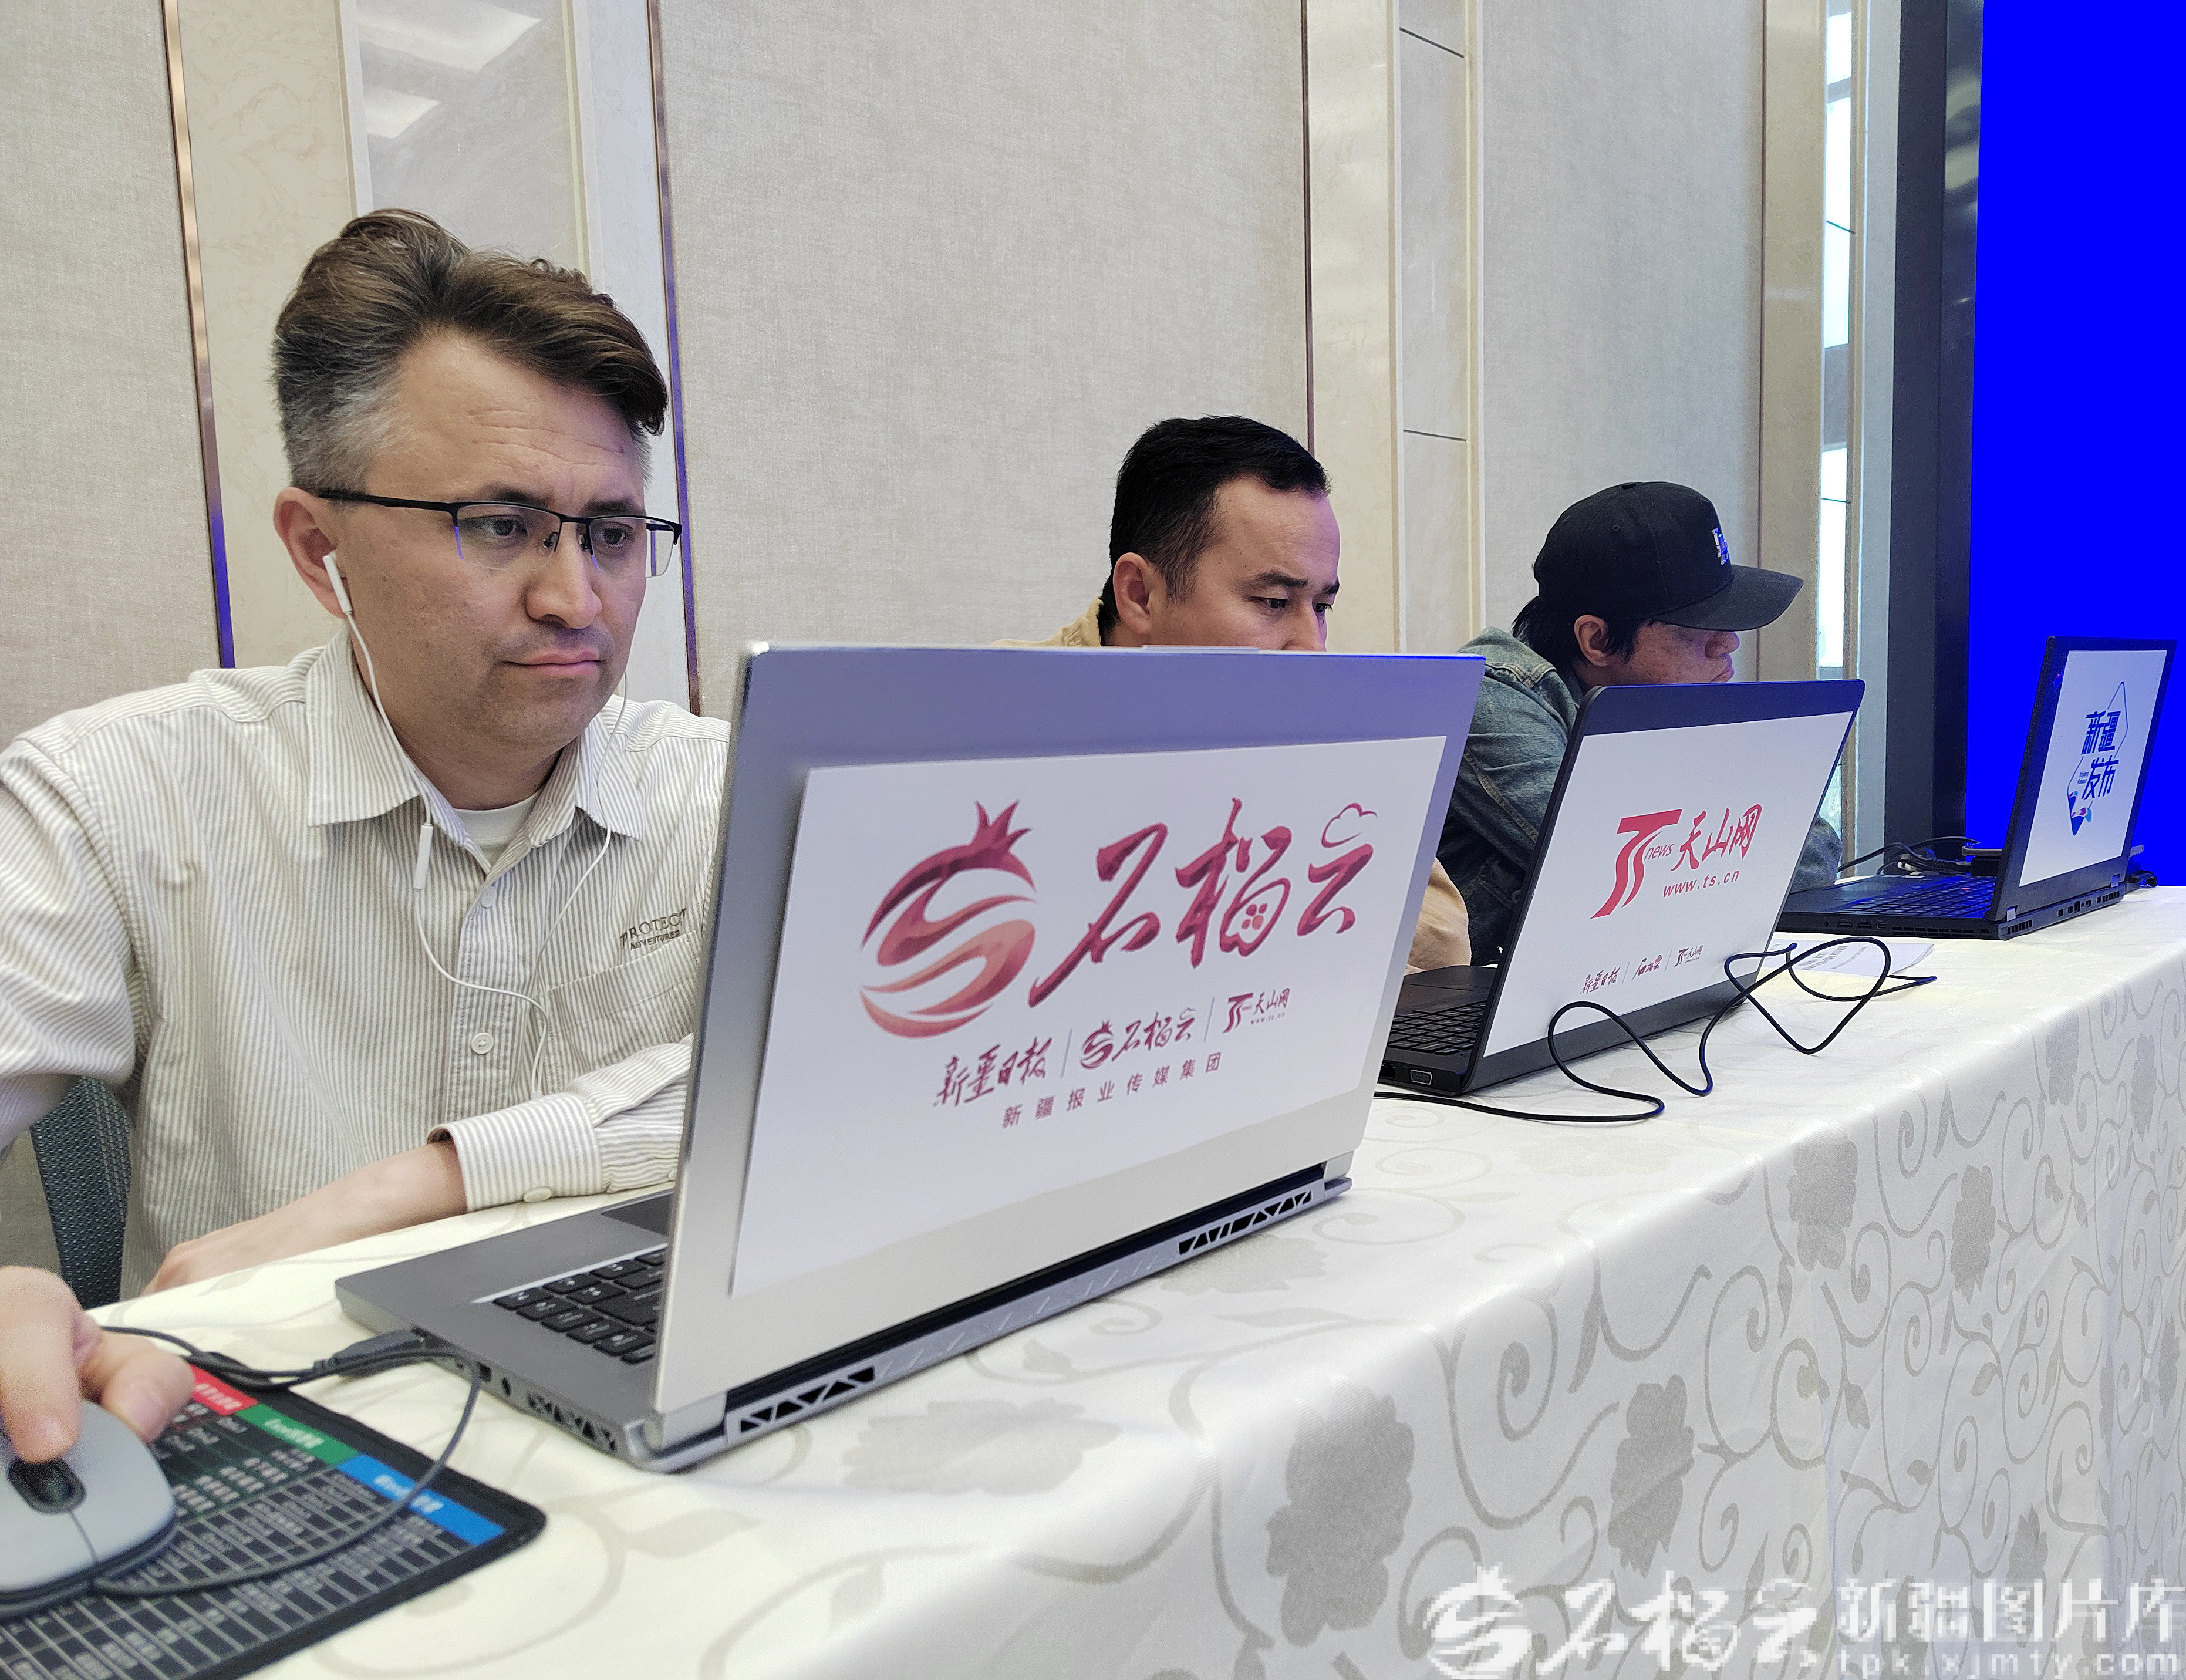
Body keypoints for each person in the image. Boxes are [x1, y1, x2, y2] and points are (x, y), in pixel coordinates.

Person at [0, 210, 721, 1458]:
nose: (574, 598)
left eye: (610, 534)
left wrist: (420, 1180)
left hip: (646, 1423)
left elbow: (849, 1088)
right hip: (275, 1439)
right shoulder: (114, 791)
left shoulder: (729, 792)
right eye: (498, 525)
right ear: (317, 546)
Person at [1006, 416, 1471, 970]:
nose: (1312, 649)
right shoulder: (992, 717)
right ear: (1141, 595)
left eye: (1322, 608)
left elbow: (1439, 938)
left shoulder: (1314, 714)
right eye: (1274, 602)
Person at [1438, 480, 1843, 960]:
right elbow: (1621, 869)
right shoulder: (1488, 698)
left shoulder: (1664, 703)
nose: (1729, 642)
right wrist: (1714, 837)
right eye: (1698, 626)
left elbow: (1815, 850)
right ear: (1597, 640)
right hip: (1478, 996)